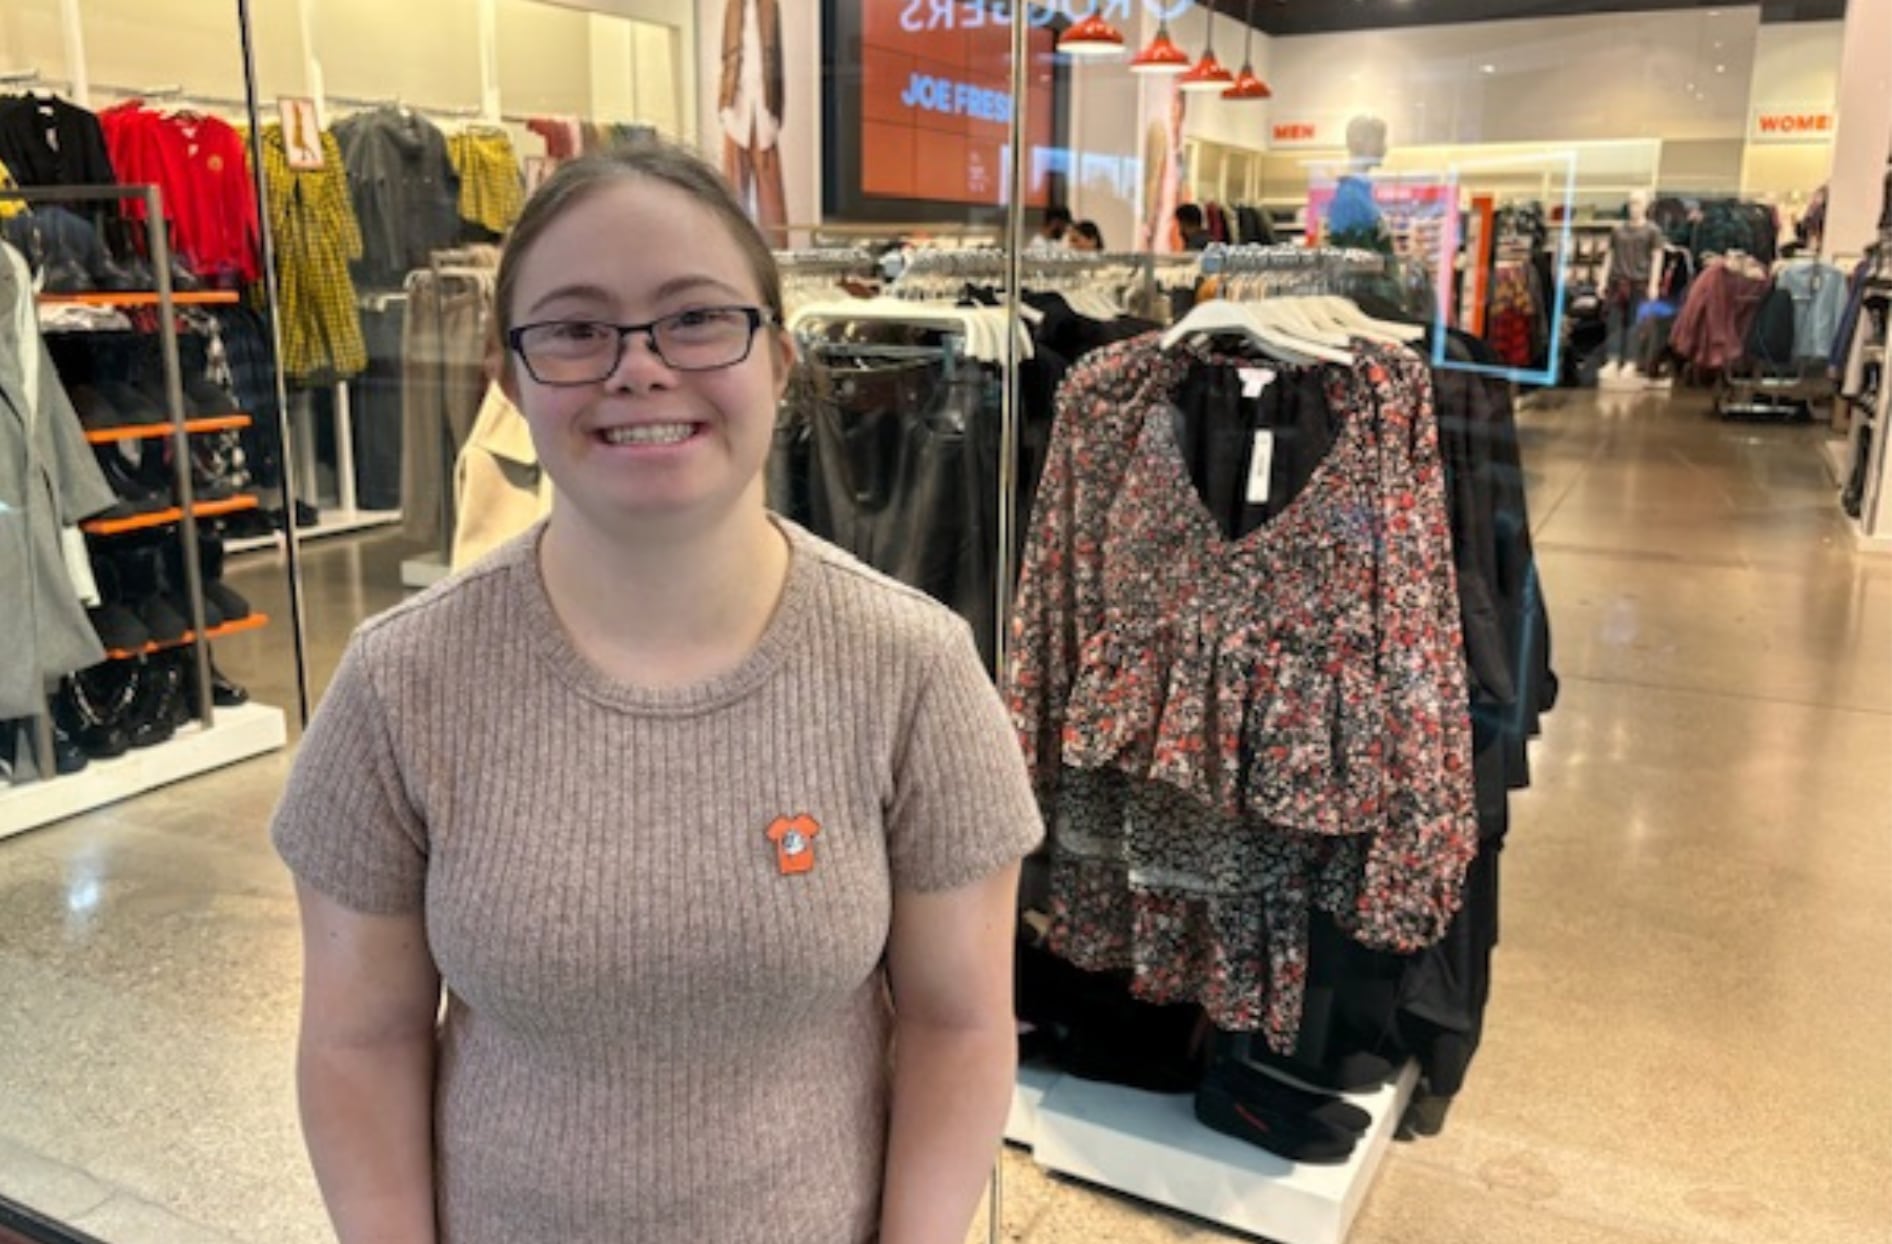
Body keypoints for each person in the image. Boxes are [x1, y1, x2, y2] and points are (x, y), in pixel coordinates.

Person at [270, 141, 1043, 1244]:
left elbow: (955, 1021)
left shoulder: (910, 668)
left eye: (693, 318)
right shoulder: (402, 680)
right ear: (507, 376)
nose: (638, 367)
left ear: (778, 359)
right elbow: (360, 1036)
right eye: (576, 328)